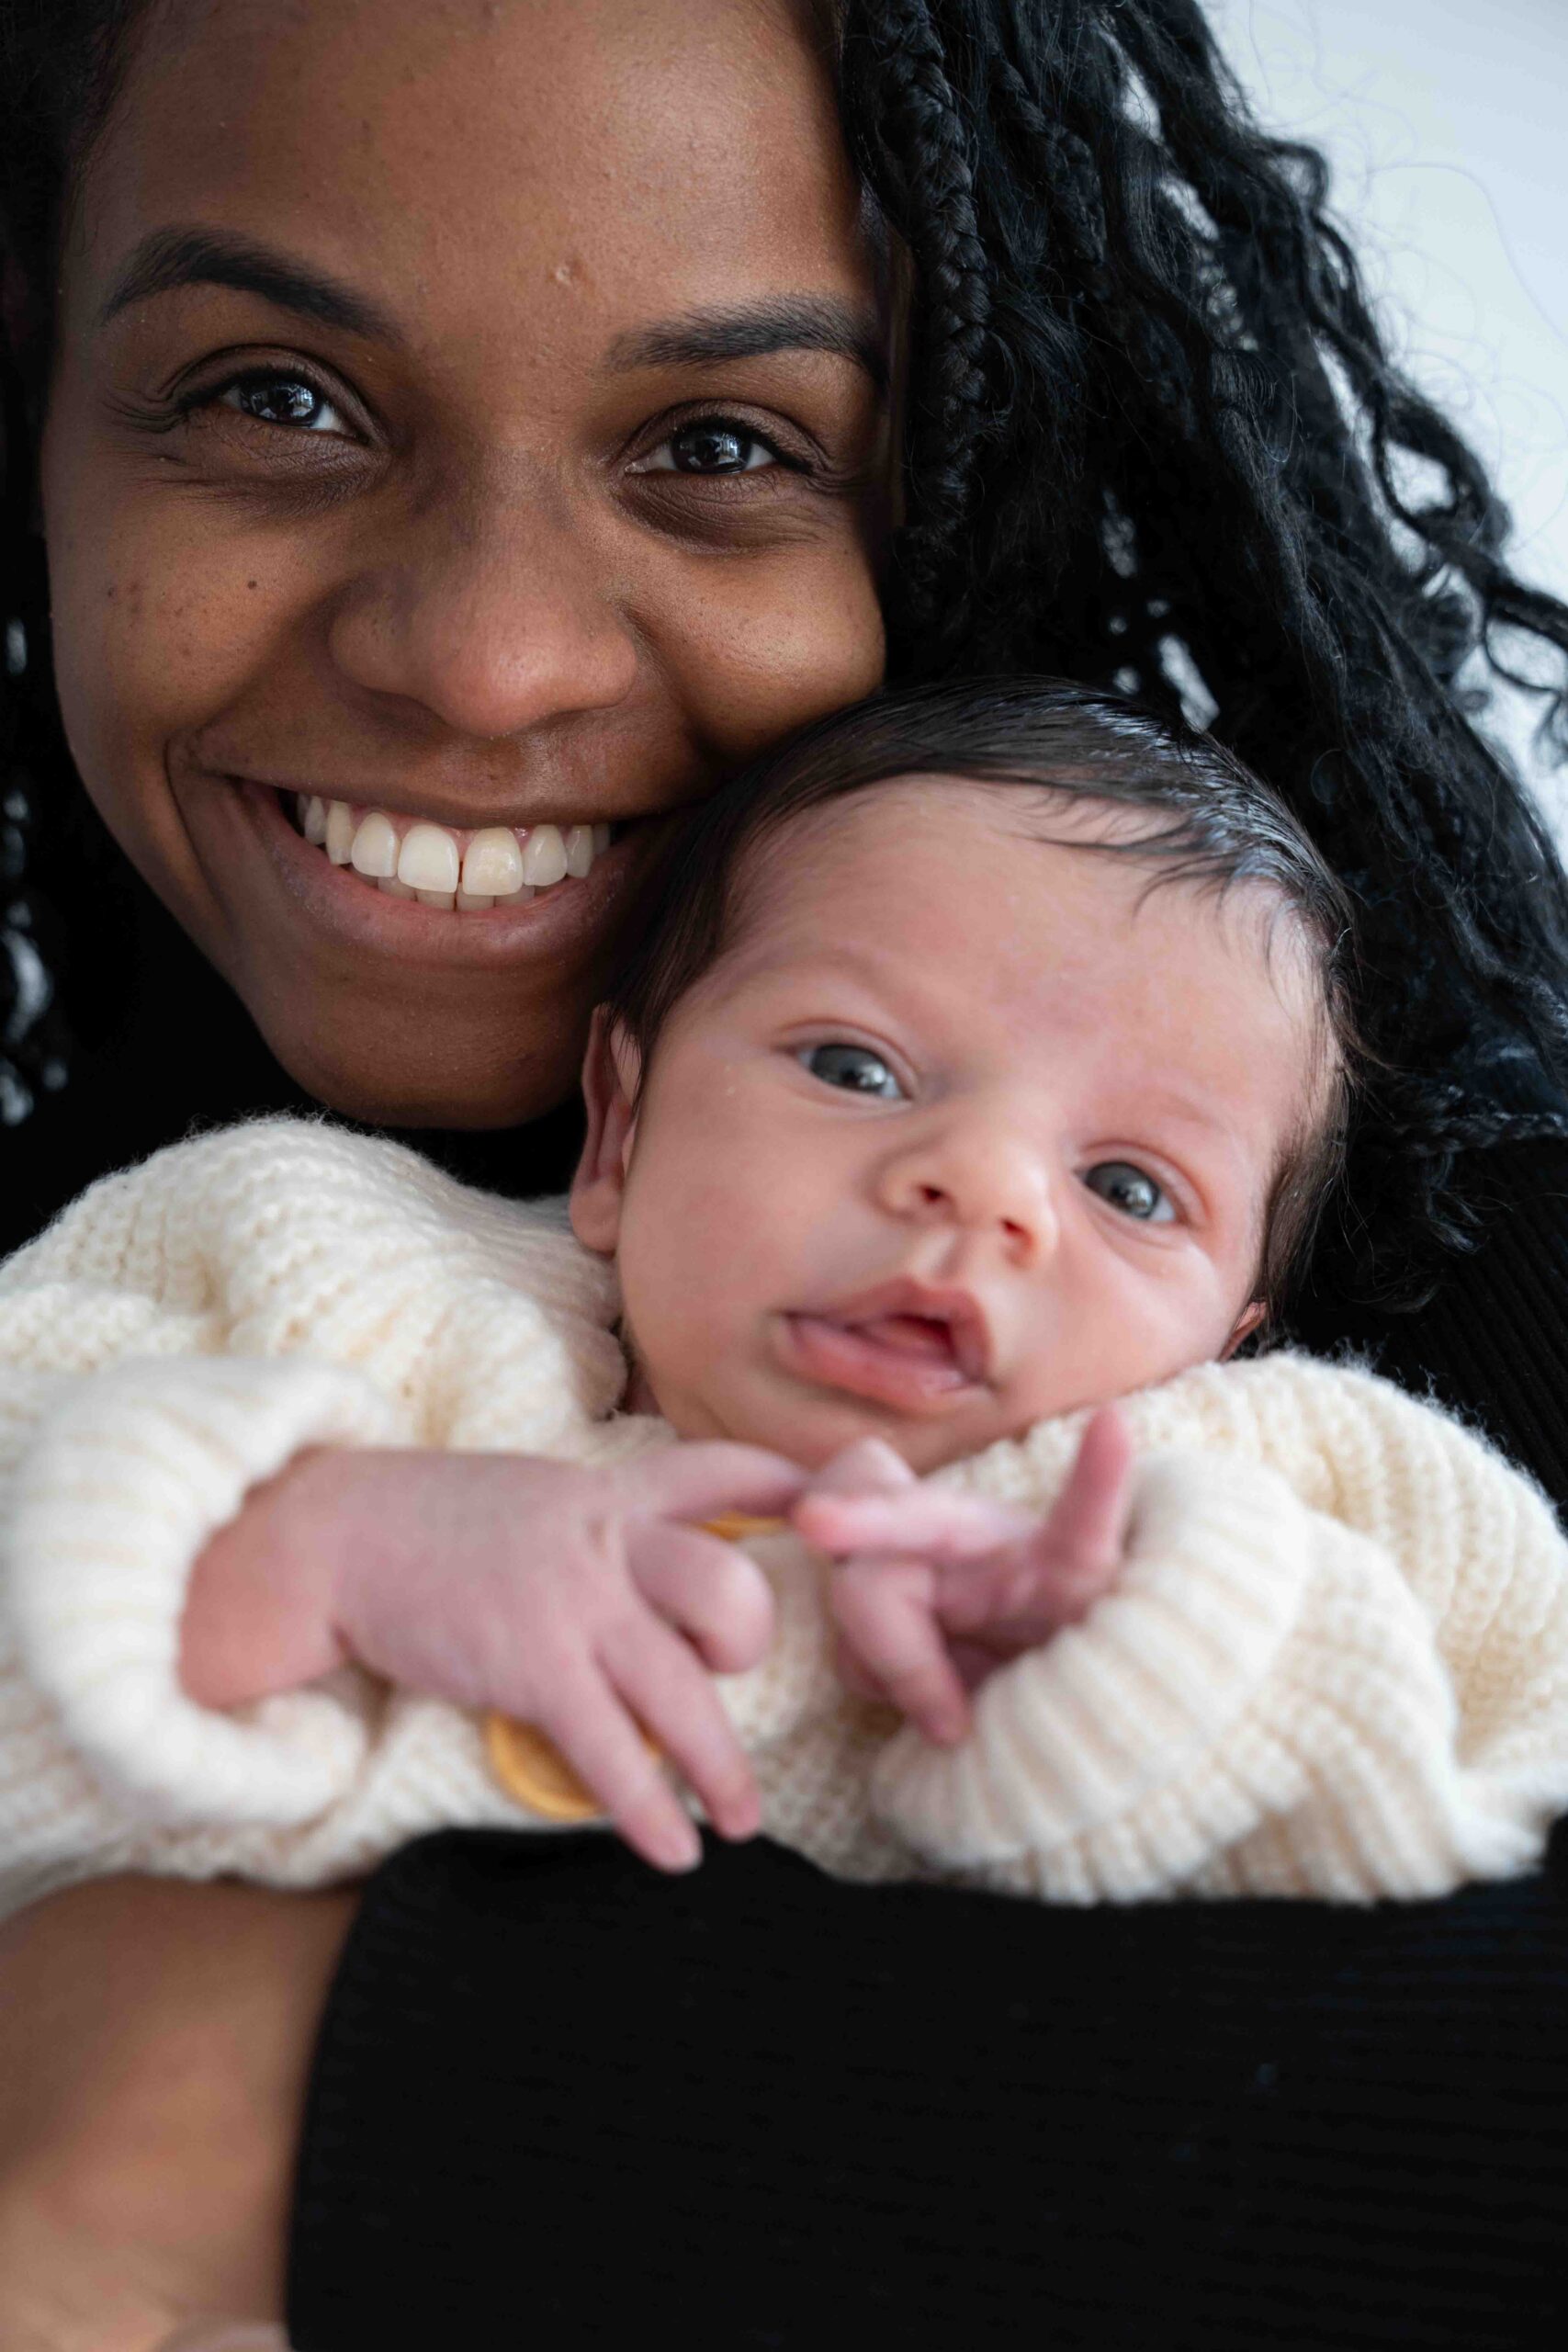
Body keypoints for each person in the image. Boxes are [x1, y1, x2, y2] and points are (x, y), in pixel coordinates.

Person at [2, 1, 1567, 2345]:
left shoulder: (1401, 1301)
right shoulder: (237, 1283)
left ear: (962, 463)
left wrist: (236, 2093)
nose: (487, 661)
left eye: (721, 440)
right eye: (276, 393)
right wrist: (314, 1532)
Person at [7, 679, 1568, 1919]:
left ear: (1234, 1335)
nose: (986, 1188)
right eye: (854, 1067)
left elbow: (1466, 1775)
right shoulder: (326, 1265)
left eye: (1132, 1189)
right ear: (618, 1127)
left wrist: (1135, 1662)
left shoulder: (1254, 1489)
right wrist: (319, 1546)